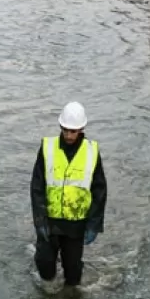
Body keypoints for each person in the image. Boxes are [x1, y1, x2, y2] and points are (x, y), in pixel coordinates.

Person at [30, 101, 106, 289]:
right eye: (65, 130)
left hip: (76, 224)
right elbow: (37, 186)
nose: (69, 135)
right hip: (50, 220)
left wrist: (94, 223)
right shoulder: (48, 148)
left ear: (81, 129)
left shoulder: (92, 151)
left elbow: (99, 190)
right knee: (45, 268)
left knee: (73, 276)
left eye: (73, 131)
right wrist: (40, 219)